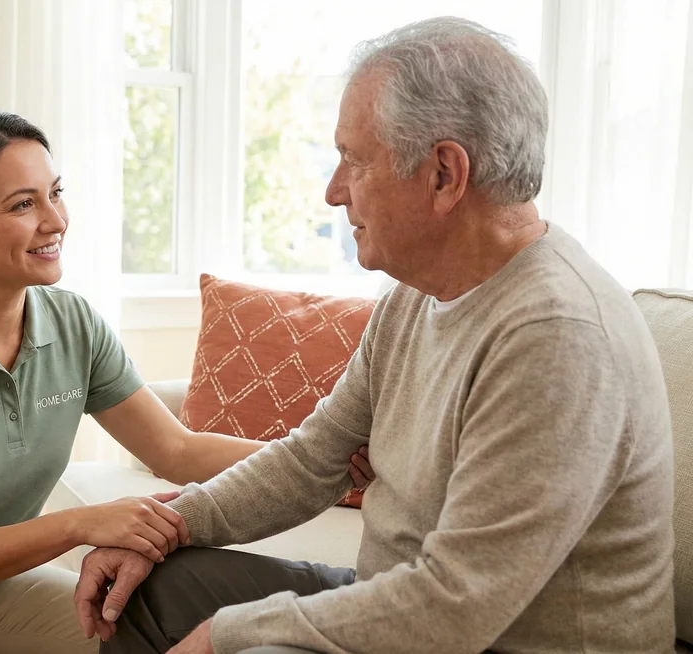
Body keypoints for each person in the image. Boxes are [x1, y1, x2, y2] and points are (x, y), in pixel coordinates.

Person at [74, 16, 676, 654]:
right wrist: (162, 527)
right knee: (145, 582)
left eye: (354, 160)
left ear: (444, 174)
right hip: (399, 595)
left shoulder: (556, 337)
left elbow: (454, 606)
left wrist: (226, 634)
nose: (333, 192)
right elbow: (313, 460)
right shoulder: (415, 297)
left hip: (484, 635)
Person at [0, 107, 375, 654]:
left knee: (140, 629)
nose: (55, 220)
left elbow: (176, 449)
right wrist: (80, 523)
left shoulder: (71, 323)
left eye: (55, 193)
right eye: (23, 205)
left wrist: (321, 460)